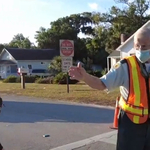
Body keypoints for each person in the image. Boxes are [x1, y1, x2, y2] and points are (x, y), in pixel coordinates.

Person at [68, 27, 150, 150]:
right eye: (137, 46)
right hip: (131, 124)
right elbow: (101, 84)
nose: (139, 50)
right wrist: (85, 77)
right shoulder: (125, 66)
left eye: (143, 46)